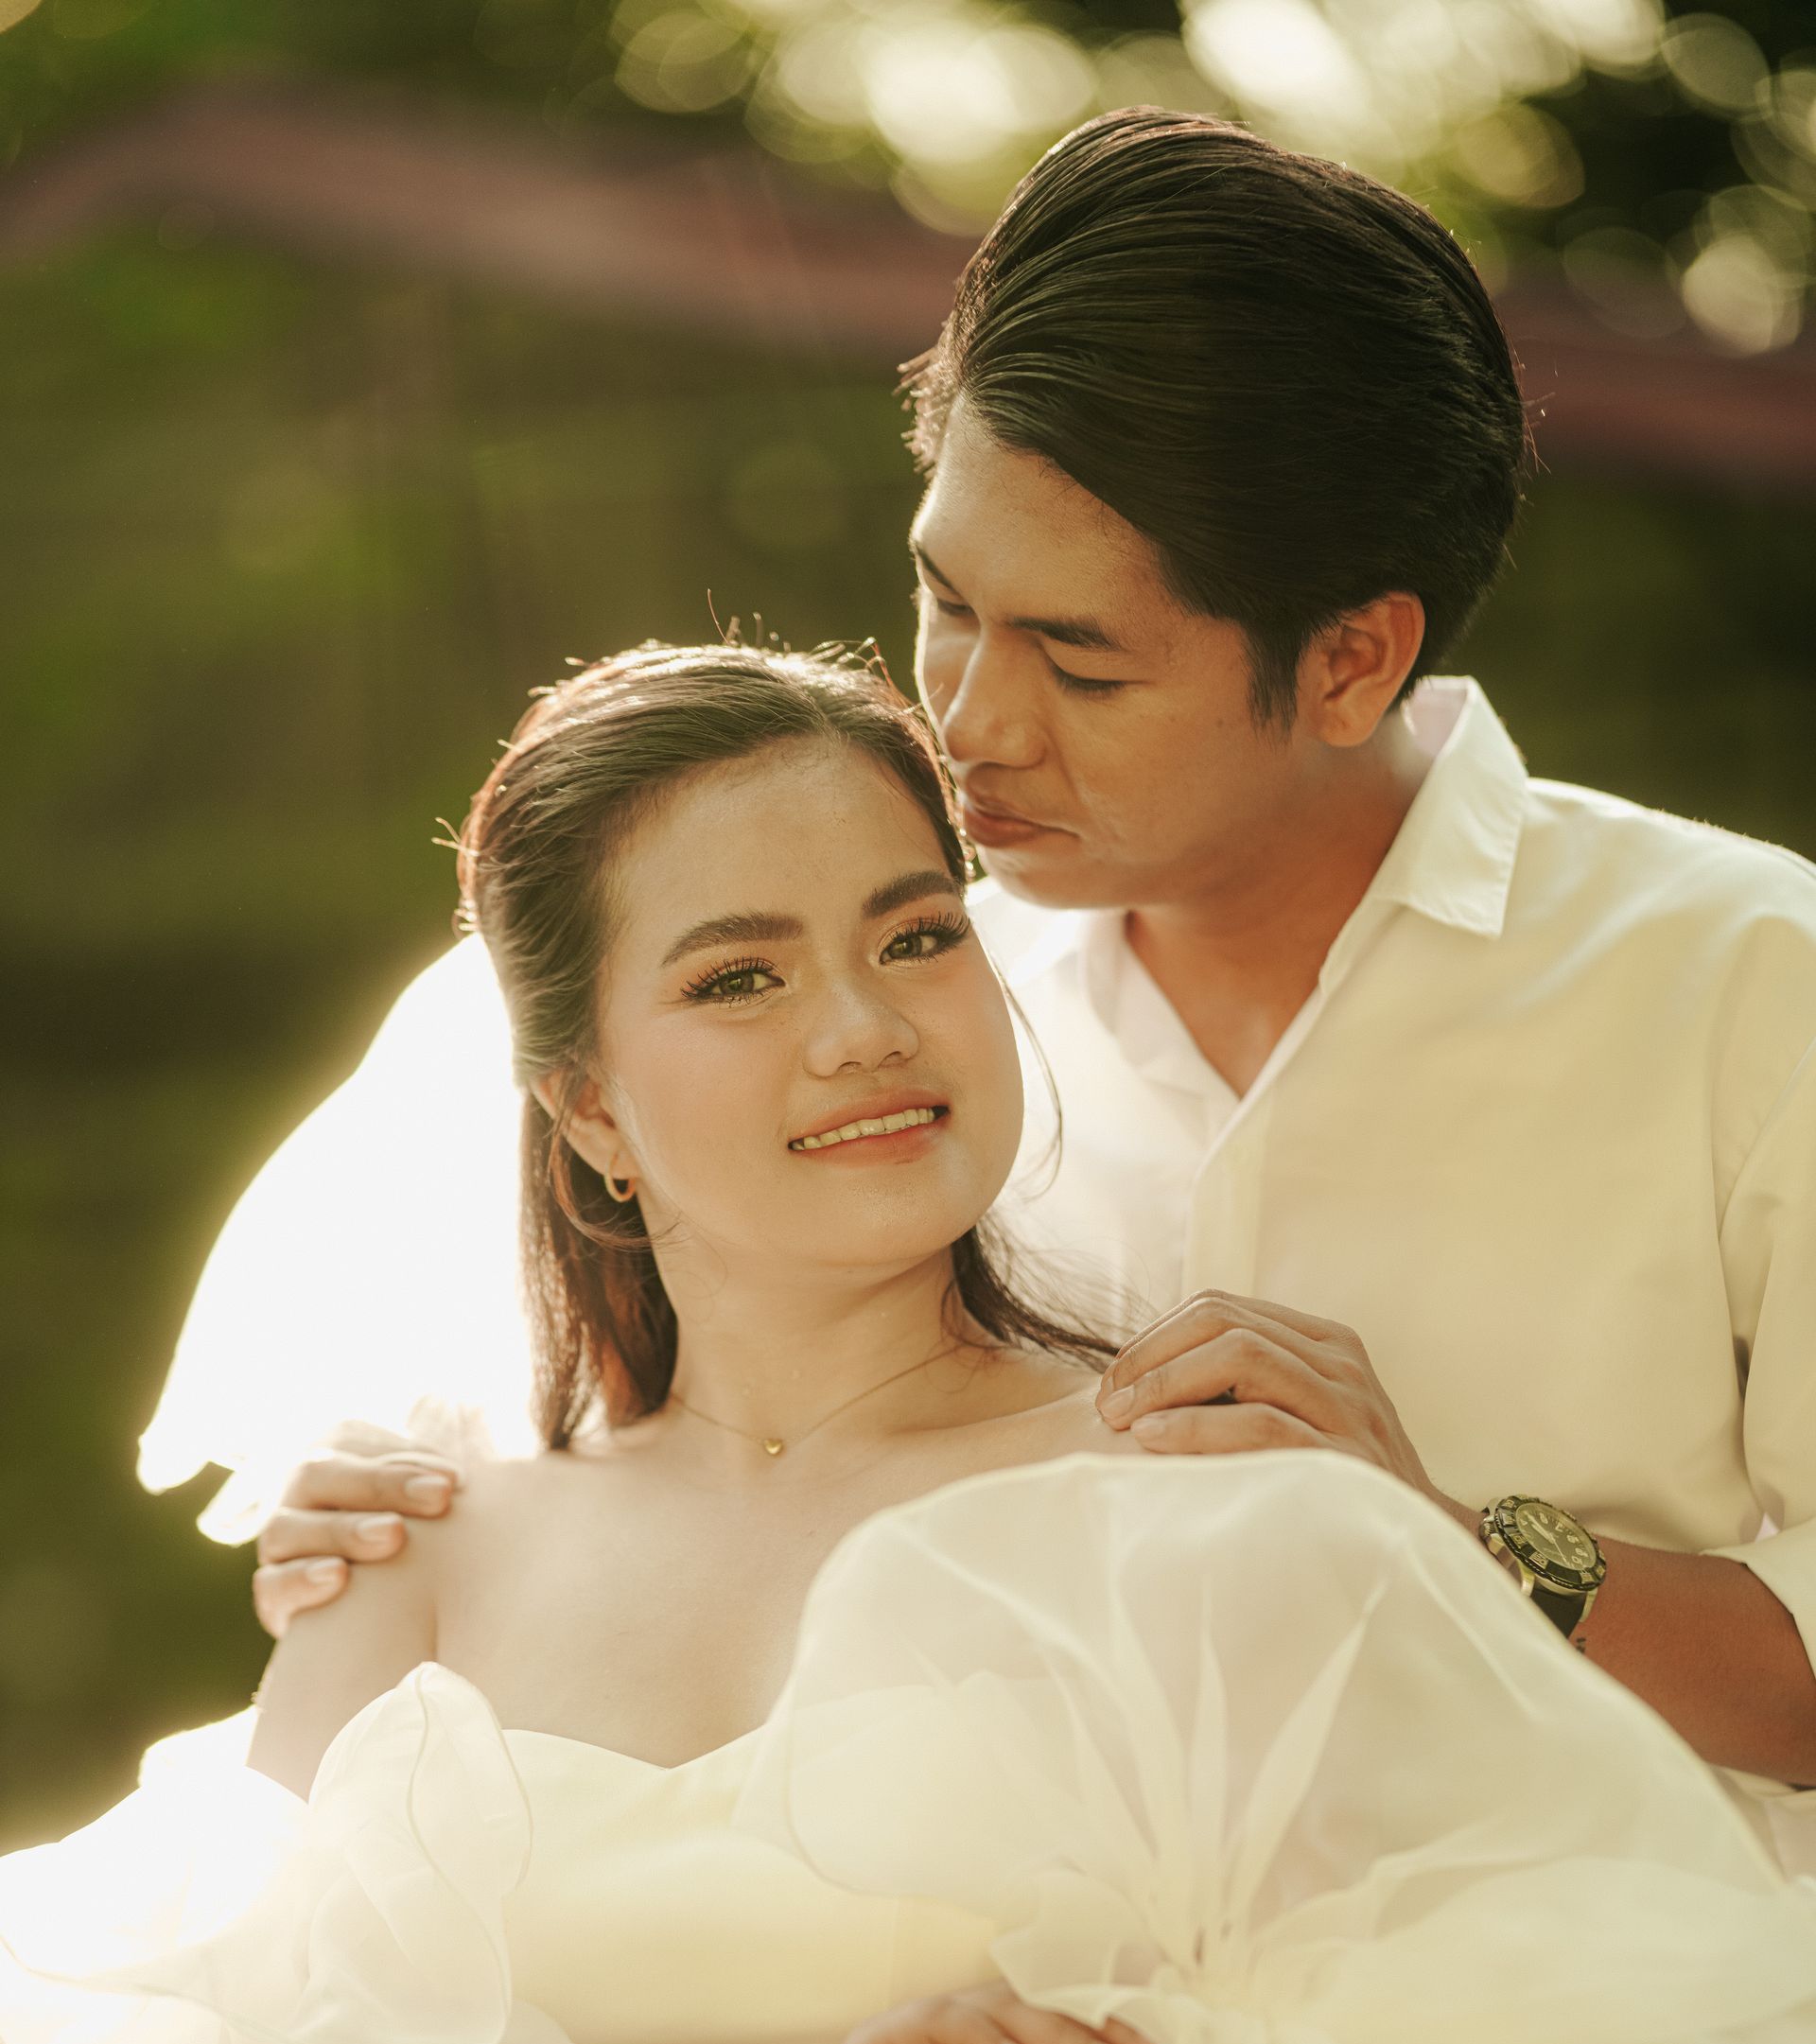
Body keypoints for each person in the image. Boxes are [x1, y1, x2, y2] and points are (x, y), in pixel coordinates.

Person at [10, 640, 1816, 2044]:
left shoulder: (1209, 1496)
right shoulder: (415, 1556)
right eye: (738, 977)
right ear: (584, 1106)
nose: (865, 1028)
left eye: (918, 934)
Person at [155, 114, 1816, 1866]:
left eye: (1082, 666)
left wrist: (1448, 1549)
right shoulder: (884, 1016)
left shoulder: (1746, 986)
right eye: (947, 604)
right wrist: (392, 1541)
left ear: (1350, 660)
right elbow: (644, 1453)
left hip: (1653, 1981)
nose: (969, 720)